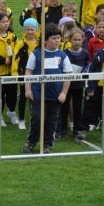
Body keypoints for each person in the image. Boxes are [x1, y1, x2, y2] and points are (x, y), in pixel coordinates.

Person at [22, 23, 72, 154]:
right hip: (38, 93)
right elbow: (28, 72)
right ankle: (31, 141)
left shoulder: (62, 56)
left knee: (51, 120)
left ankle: (47, 144)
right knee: (37, 118)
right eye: (53, 38)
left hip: (55, 95)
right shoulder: (37, 54)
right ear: (45, 40)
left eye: (58, 38)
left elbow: (68, 75)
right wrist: (28, 89)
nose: (57, 40)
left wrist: (63, 93)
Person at [12, 18, 40, 130]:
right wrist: (17, 76)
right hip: (24, 76)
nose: (29, 32)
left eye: (32, 29)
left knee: (35, 97)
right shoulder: (20, 44)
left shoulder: (39, 43)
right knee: (23, 98)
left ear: (36, 30)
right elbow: (15, 61)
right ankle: (21, 119)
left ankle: (34, 118)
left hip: (37, 76)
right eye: (27, 29)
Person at [62, 27, 89, 138]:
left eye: (79, 40)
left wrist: (85, 72)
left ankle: (77, 128)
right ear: (69, 40)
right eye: (75, 40)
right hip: (66, 84)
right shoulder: (65, 53)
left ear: (83, 40)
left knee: (78, 107)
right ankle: (63, 129)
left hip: (78, 85)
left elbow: (87, 64)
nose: (77, 42)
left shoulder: (84, 53)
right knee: (64, 107)